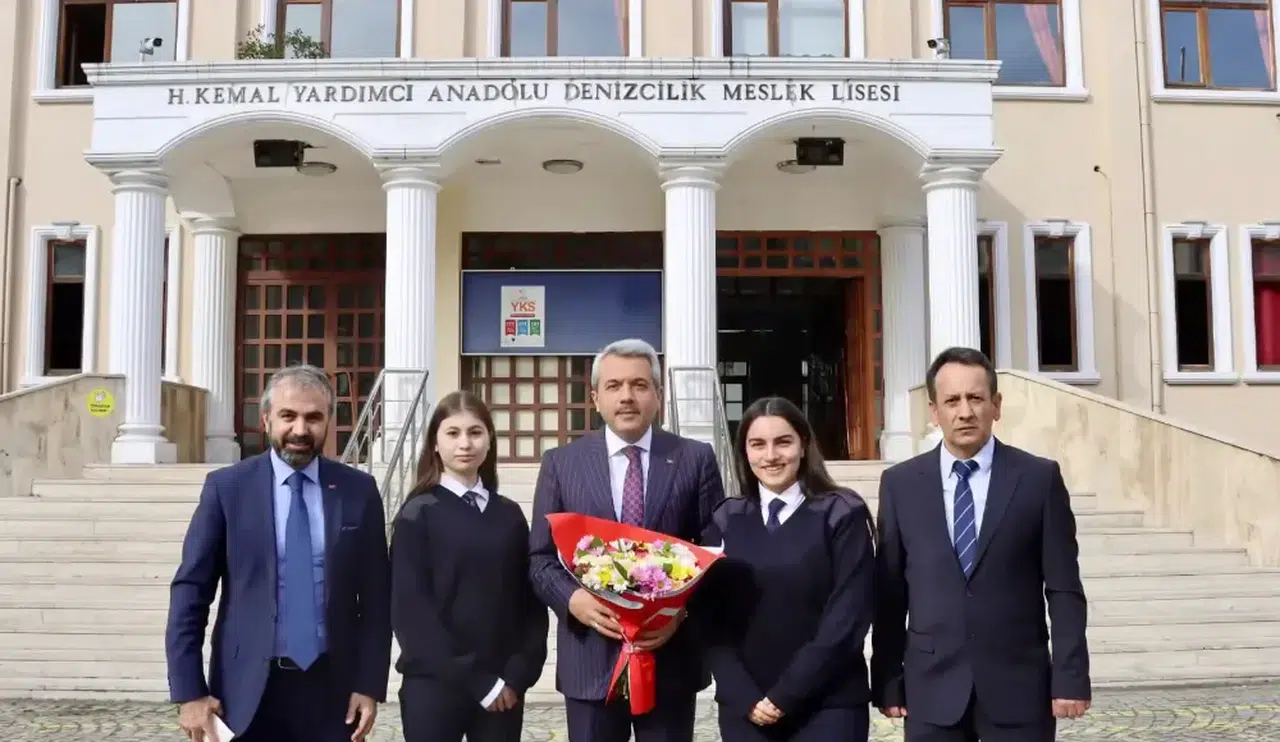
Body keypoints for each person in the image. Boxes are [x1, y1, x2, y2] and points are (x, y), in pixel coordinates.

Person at [870, 347, 1091, 742]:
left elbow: (1064, 589)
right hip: (931, 692)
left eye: (975, 398)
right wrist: (887, 678)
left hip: (1019, 690)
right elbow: (890, 594)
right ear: (934, 412)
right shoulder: (901, 485)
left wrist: (1070, 676)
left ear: (996, 405)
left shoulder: (1038, 479)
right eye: (952, 401)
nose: (965, 412)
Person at [165, 364, 392, 742]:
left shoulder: (359, 491)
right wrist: (190, 692)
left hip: (332, 693)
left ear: (329, 423)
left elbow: (375, 600)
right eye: (288, 416)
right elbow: (191, 592)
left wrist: (368, 685)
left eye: (313, 417)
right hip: (244, 695)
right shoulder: (227, 489)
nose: (300, 430)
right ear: (267, 419)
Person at [528, 338, 726, 742]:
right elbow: (540, 558)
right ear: (596, 397)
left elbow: (714, 551)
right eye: (615, 386)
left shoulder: (695, 458)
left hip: (669, 659)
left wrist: (678, 614)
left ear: (658, 395)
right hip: (590, 658)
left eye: (639, 385)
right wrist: (573, 600)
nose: (627, 397)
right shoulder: (562, 464)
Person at [698, 396, 876, 742]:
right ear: (744, 452)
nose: (771, 456)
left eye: (783, 442)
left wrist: (786, 695)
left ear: (804, 444)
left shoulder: (841, 514)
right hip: (745, 709)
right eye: (757, 444)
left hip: (828, 705)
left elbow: (846, 619)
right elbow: (709, 621)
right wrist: (743, 694)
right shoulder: (726, 519)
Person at [390, 390, 549, 742]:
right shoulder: (417, 515)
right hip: (434, 689)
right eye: (453, 433)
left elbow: (532, 604)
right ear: (435, 443)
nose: (465, 443)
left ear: (490, 440)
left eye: (475, 432)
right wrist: (479, 682)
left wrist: (519, 673)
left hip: (504, 691)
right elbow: (411, 615)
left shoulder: (509, 515)